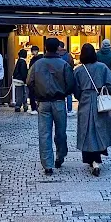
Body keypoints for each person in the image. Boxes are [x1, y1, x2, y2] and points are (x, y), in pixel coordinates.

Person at [27, 37, 75, 175]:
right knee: (61, 132)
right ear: (58, 48)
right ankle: (60, 156)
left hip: (43, 102)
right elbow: (70, 83)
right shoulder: (63, 64)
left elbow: (29, 81)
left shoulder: (37, 64)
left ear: (45, 47)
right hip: (59, 101)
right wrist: (64, 93)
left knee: (44, 133)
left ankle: (47, 164)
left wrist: (36, 94)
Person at [73, 43, 111, 176]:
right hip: (100, 100)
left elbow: (75, 89)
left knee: (87, 130)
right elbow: (110, 84)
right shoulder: (102, 67)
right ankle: (97, 159)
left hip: (86, 100)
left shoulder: (79, 70)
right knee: (100, 130)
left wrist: (81, 96)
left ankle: (91, 159)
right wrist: (107, 95)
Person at [57, 41, 76, 116]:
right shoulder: (68, 55)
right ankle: (69, 109)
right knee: (68, 93)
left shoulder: (55, 55)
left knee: (59, 92)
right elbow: (72, 64)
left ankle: (60, 109)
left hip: (58, 76)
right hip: (67, 75)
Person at [28, 45, 43, 115]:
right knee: (34, 94)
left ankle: (36, 107)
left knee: (36, 94)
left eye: (34, 51)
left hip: (38, 79)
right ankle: (34, 107)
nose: (33, 52)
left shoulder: (39, 59)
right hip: (36, 79)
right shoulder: (34, 59)